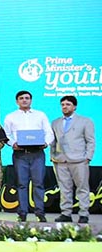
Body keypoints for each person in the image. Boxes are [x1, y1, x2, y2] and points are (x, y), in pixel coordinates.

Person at [3, 91, 55, 222]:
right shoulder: (10, 117)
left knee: (39, 184)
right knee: (21, 184)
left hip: (37, 154)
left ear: (31, 100)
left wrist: (45, 143)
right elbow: (6, 134)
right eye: (21, 98)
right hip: (20, 154)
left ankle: (40, 212)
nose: (24, 100)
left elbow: (49, 133)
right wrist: (12, 143)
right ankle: (22, 213)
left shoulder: (40, 115)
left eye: (27, 98)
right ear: (17, 101)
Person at [51, 95, 95, 224]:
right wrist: (52, 156)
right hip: (60, 160)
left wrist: (88, 157)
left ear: (74, 107)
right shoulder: (55, 122)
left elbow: (91, 141)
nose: (65, 107)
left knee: (82, 188)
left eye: (68, 104)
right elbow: (53, 142)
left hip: (79, 160)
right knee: (64, 188)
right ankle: (66, 213)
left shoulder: (85, 121)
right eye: (63, 104)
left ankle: (83, 213)